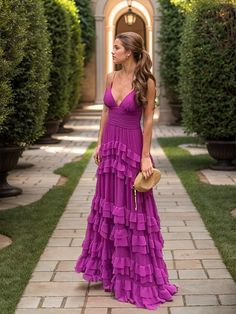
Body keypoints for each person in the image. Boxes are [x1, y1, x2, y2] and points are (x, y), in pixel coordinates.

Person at [74, 31, 179, 310]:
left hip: (131, 148)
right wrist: (98, 144)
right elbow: (106, 113)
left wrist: (145, 157)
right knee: (109, 206)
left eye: (117, 48)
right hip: (110, 149)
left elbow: (148, 121)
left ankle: (134, 274)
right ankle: (110, 271)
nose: (113, 51)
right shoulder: (110, 77)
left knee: (133, 210)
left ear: (130, 51)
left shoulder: (147, 81)